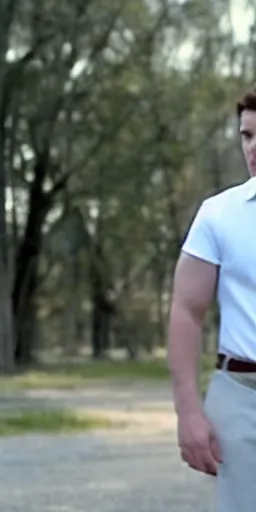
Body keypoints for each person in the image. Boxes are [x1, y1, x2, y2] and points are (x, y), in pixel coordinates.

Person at [168, 88, 256, 511]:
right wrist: (188, 412)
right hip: (240, 392)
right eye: (247, 136)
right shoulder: (218, 215)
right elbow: (186, 313)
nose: (253, 148)